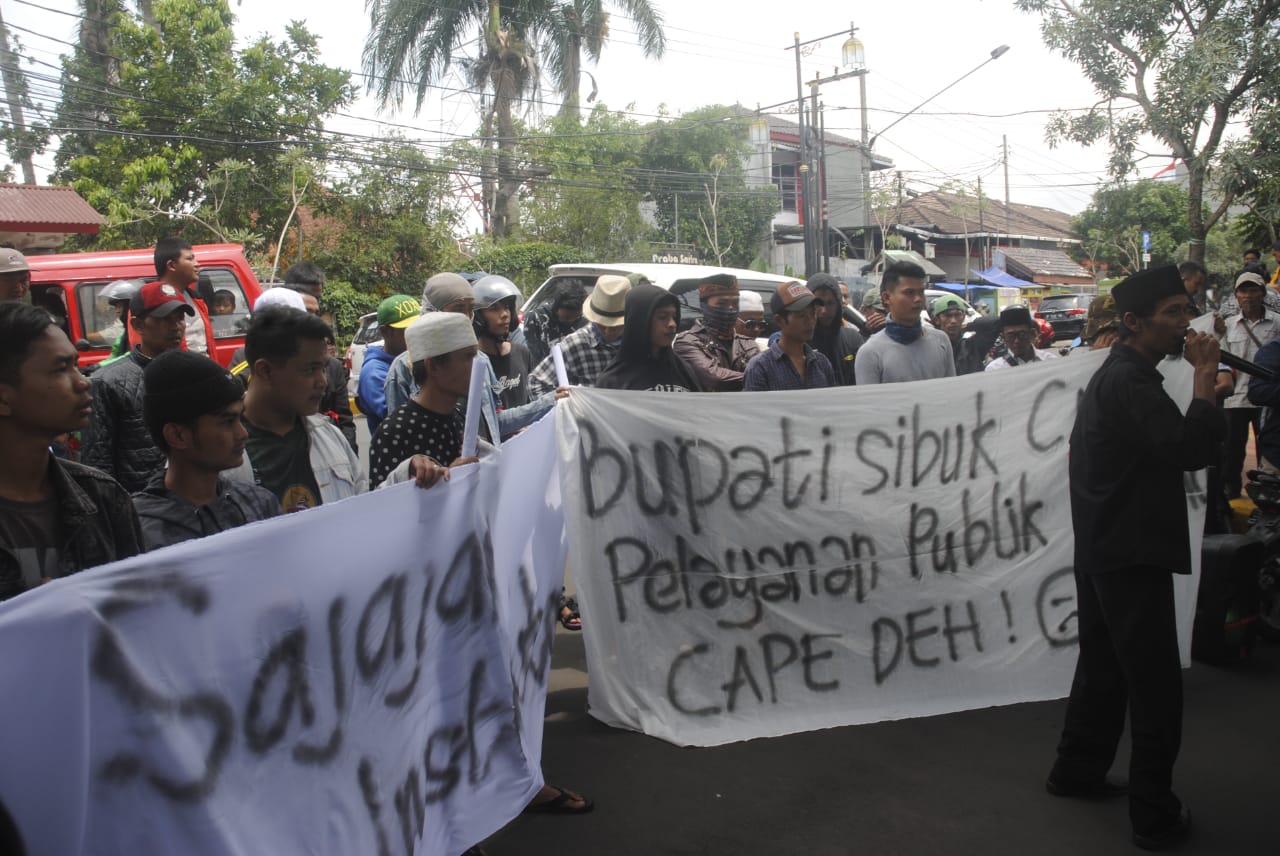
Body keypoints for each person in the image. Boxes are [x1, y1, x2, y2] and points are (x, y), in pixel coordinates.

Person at [1046, 266, 1221, 852]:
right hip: (1130, 552)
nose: (1185, 325)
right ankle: (1153, 812)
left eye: (1186, 312)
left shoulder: (1124, 375)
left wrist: (1202, 395)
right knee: (1153, 686)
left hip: (1106, 546)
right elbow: (1186, 449)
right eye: (1173, 313)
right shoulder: (1130, 382)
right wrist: (1202, 385)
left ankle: (1077, 770)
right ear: (1132, 322)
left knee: (1104, 667)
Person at [0, 302, 143, 601]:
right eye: (60, 369)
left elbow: (136, 612)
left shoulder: (104, 498)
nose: (83, 381)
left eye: (76, 365)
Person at [132, 350, 279, 550]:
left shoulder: (260, 505)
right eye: (228, 421)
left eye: (239, 419)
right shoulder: (137, 531)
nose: (243, 433)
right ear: (177, 435)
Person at [225, 307, 366, 512]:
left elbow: (363, 508)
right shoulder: (219, 451)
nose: (323, 382)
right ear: (265, 370)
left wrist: (406, 475)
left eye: (324, 369)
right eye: (310, 370)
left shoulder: (330, 436)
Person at [81, 282, 195, 492]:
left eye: (180, 318)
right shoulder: (107, 382)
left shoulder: (197, 372)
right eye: (164, 319)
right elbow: (98, 461)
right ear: (138, 325)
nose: (176, 326)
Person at [369, 313, 483, 488]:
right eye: (468, 357)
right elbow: (381, 507)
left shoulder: (460, 417)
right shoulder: (394, 433)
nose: (478, 365)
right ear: (433, 366)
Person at [1216, 272, 1280, 496]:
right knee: (1232, 451)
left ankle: (1266, 492)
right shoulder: (1227, 326)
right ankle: (1231, 493)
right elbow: (1221, 359)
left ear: (1262, 294)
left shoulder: (1277, 322)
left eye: (1253, 290)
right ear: (1236, 296)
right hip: (1236, 398)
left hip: (1267, 401)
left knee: (1269, 449)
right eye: (1243, 291)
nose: (1248, 296)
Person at [854, 262, 956, 385]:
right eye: (909, 293)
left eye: (921, 292)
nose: (918, 299)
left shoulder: (941, 341)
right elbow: (869, 402)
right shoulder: (870, 352)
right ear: (886, 298)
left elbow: (950, 393)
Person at [528, 275, 630, 397]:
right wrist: (558, 405)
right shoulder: (576, 344)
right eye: (602, 324)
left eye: (615, 326)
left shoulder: (642, 343)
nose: (608, 331)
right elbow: (536, 383)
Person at [595, 282, 701, 391]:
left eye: (674, 317)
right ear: (640, 321)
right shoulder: (613, 381)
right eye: (662, 317)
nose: (672, 324)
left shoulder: (682, 370)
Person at [672, 273, 759, 391]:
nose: (730, 308)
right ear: (704, 306)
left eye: (735, 303)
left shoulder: (747, 344)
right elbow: (715, 379)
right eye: (721, 304)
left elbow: (762, 374)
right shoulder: (687, 342)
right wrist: (758, 377)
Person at [742, 281, 834, 391]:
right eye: (802, 315)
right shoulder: (760, 367)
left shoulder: (822, 363)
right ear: (780, 320)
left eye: (813, 313)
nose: (810, 321)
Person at [357, 294, 419, 437]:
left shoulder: (414, 357)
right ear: (385, 331)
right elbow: (398, 418)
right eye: (406, 330)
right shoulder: (373, 373)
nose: (414, 335)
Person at [472, 275, 534, 410]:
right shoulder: (474, 362)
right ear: (478, 317)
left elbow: (531, 398)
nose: (504, 314)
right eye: (494, 308)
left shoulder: (522, 353)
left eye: (506, 307)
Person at [153, 237, 215, 359]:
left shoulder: (197, 300)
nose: (197, 264)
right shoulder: (149, 304)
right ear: (172, 265)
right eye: (189, 259)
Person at [806, 273, 863, 385]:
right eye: (819, 304)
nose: (824, 311)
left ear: (838, 304)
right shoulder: (799, 343)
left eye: (830, 303)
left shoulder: (853, 339)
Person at [523, 281, 589, 365]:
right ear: (557, 307)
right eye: (567, 318)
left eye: (576, 317)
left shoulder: (584, 319)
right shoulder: (536, 318)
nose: (572, 321)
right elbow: (532, 358)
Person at [985, 305, 1061, 371]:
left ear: (1032, 334)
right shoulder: (995, 369)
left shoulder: (1050, 361)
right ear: (1003, 338)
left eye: (1022, 335)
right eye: (1011, 336)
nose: (1016, 341)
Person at [931, 294, 984, 374]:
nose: (953, 321)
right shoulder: (931, 347)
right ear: (937, 320)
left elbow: (994, 322)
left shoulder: (970, 345)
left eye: (958, 315)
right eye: (948, 316)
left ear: (963, 317)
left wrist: (969, 326)